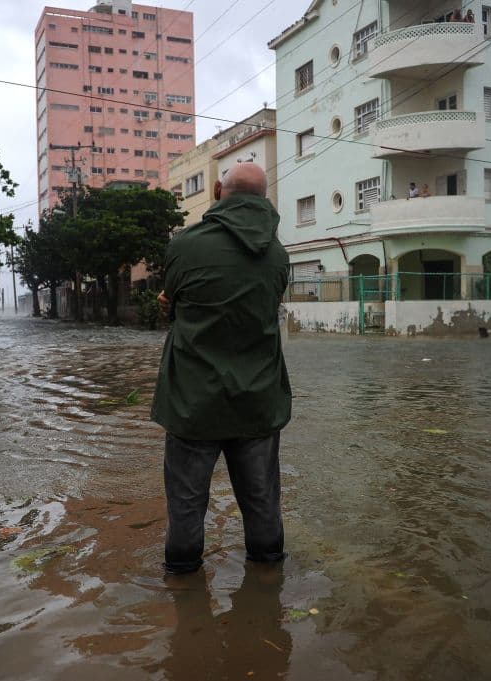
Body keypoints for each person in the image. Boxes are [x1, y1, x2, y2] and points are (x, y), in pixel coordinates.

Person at [152, 162, 292, 575]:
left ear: (216, 191)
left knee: (186, 504)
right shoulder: (278, 256)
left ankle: (183, 585)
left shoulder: (185, 246)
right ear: (264, 199)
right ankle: (268, 585)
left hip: (192, 402)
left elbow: (174, 306)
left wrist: (168, 304)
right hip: (258, 401)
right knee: (263, 502)